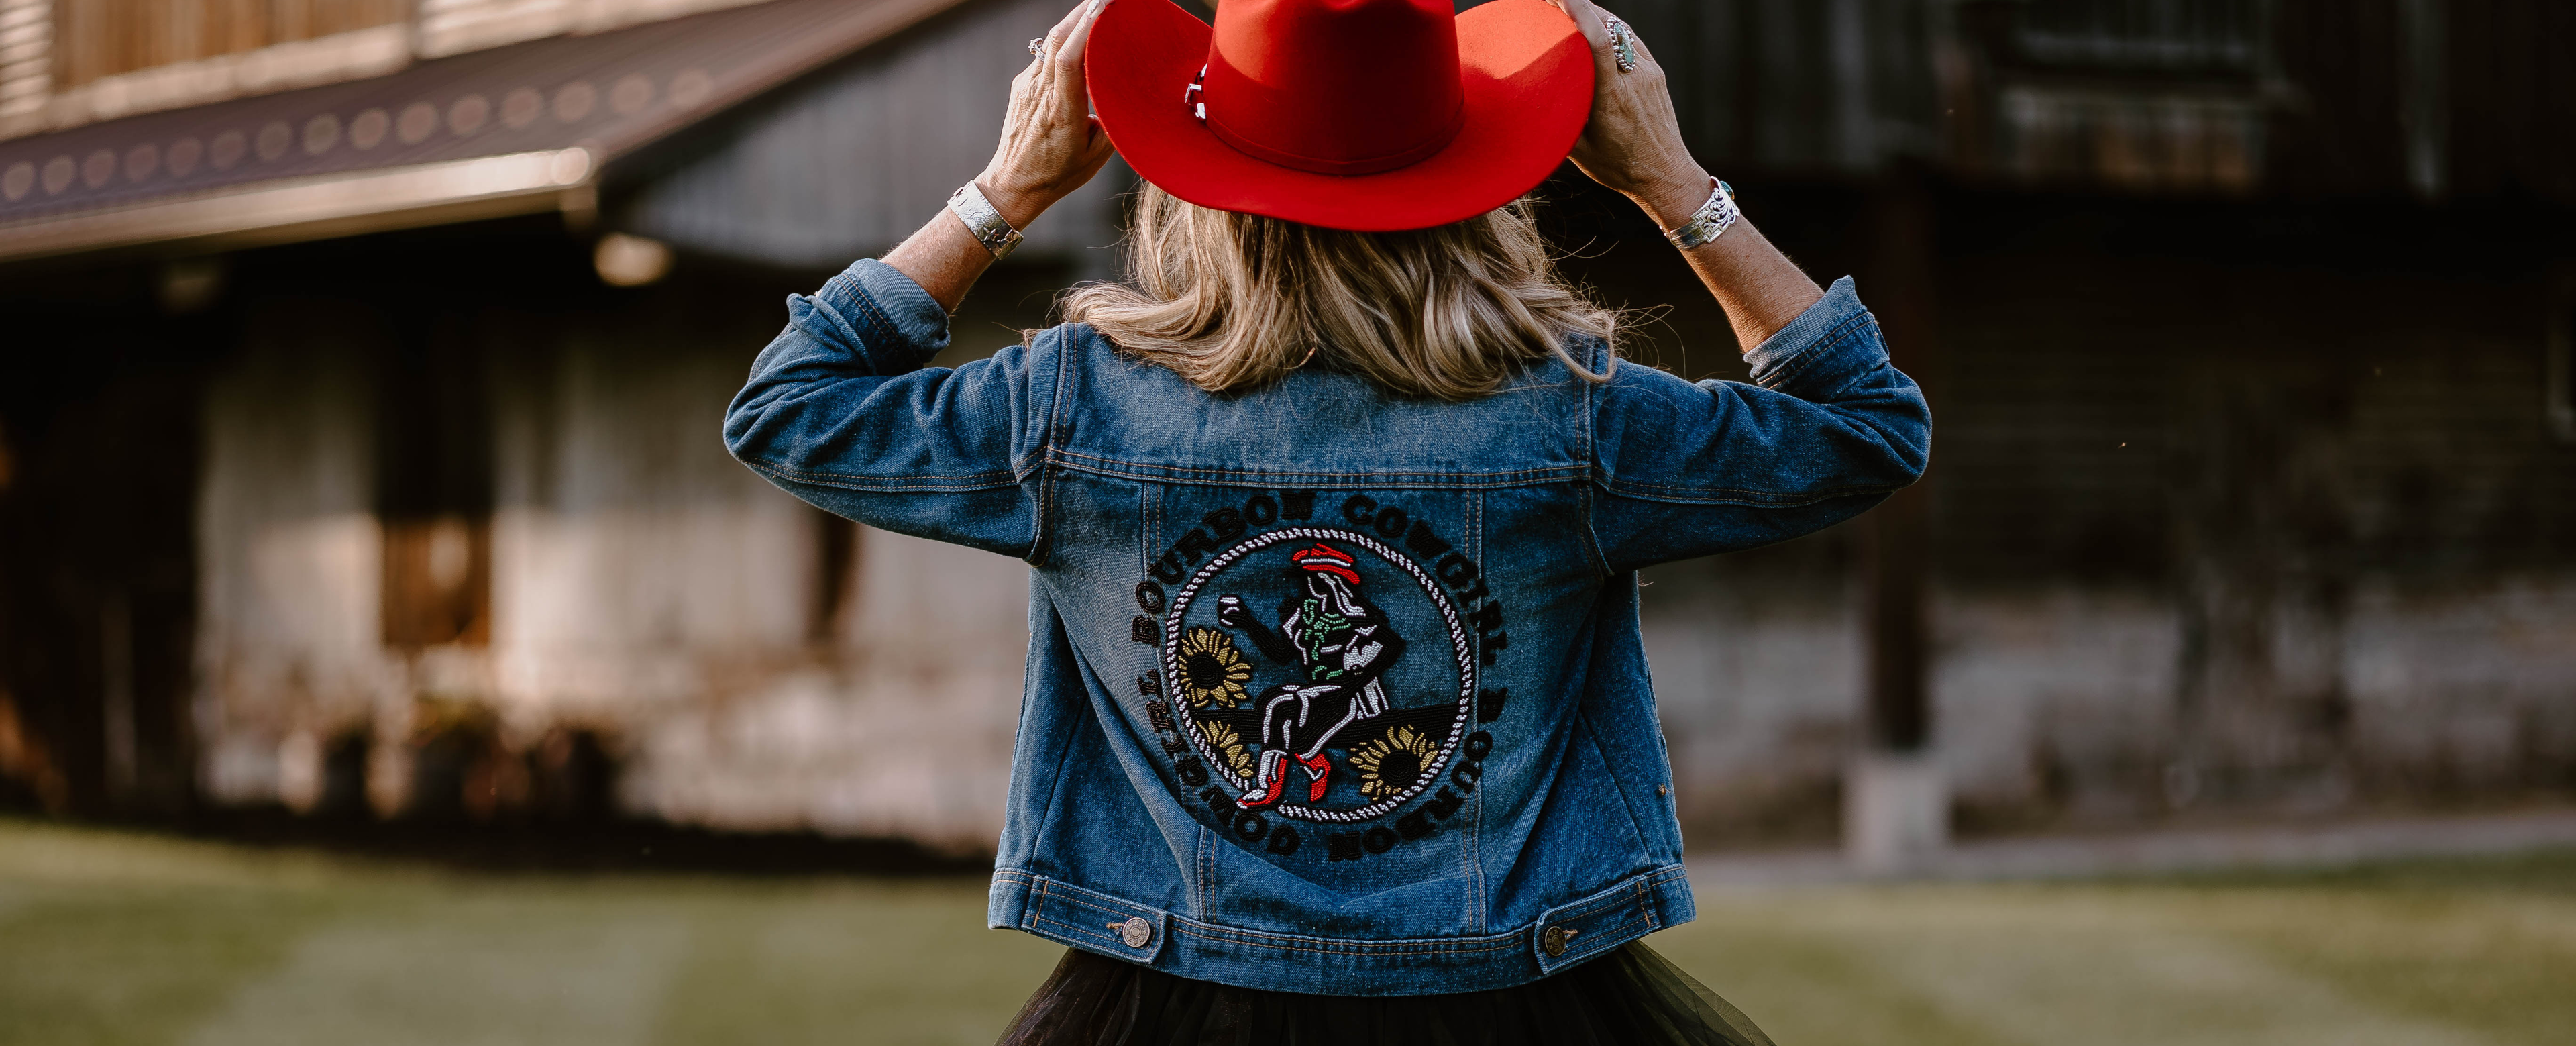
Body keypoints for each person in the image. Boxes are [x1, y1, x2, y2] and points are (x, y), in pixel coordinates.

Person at [724, 0, 1930, 1040]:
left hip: (1169, 997)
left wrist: (1007, 191)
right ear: (1473, 192)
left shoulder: (1070, 410)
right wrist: (1676, 187)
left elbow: (789, 408)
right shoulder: (1572, 422)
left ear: (1197, 192)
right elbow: (1867, 426)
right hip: (1509, 998)